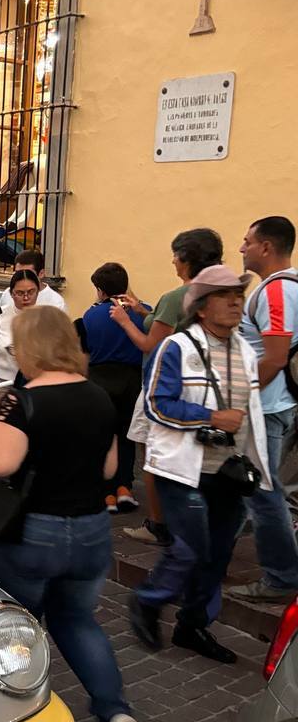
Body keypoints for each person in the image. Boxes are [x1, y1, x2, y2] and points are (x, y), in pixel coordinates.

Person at [0, 306, 139, 722]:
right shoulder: (98, 396)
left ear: (30, 348)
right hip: (90, 529)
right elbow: (110, 469)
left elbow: (0, 464)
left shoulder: (21, 399)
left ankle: (14, 721)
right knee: (77, 620)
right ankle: (114, 712)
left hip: (34, 528)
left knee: (17, 625)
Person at [131, 265, 268, 663]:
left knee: (219, 553)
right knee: (190, 549)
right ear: (202, 308)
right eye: (225, 296)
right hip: (184, 468)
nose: (235, 303)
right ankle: (149, 600)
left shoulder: (244, 347)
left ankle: (192, 627)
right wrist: (209, 418)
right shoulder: (176, 347)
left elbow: (251, 408)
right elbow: (157, 404)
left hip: (231, 469)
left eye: (239, 296)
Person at [114, 228, 224, 548]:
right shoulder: (219, 292)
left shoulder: (177, 296)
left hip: (163, 385)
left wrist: (124, 320)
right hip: (202, 386)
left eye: (176, 255)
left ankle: (159, 524)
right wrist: (143, 311)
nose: (173, 261)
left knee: (153, 453)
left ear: (188, 259)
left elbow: (151, 343)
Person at [230, 216, 298, 602]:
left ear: (266, 247)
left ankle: (281, 577)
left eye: (247, 241)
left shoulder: (274, 292)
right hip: (274, 403)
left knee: (263, 493)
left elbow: (273, 358)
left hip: (265, 407)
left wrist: (240, 398)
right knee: (252, 487)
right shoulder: (285, 286)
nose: (242, 248)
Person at [78, 263, 147, 513]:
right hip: (132, 379)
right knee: (128, 435)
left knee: (103, 436)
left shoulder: (91, 315)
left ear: (100, 290)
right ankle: (124, 488)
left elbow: (87, 350)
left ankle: (105, 493)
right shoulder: (144, 312)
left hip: (100, 378)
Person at [0, 269, 39, 383]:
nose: (26, 298)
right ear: (11, 294)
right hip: (2, 382)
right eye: (19, 293)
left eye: (31, 292)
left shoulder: (46, 317)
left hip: (35, 383)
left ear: (38, 291)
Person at [0, 249, 67, 312]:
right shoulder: (7, 294)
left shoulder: (56, 303)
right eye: (18, 273)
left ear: (41, 273)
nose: (22, 277)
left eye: (28, 273)